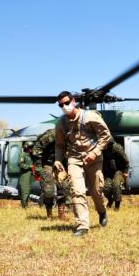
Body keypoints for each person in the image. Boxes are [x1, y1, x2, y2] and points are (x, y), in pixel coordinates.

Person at [54, 91, 112, 237]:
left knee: (96, 191)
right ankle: (82, 226)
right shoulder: (61, 123)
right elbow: (60, 145)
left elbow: (106, 136)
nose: (64, 106)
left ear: (73, 101)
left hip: (93, 157)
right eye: (61, 105)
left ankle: (102, 211)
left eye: (67, 103)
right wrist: (57, 160)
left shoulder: (90, 116)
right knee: (77, 190)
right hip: (74, 158)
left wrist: (95, 152)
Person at [31, 128, 71, 219]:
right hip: (47, 164)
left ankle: (61, 214)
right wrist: (38, 166)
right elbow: (37, 148)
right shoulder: (52, 135)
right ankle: (49, 214)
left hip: (61, 164)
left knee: (64, 188)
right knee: (49, 191)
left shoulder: (73, 134)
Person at [102, 140, 129, 211]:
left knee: (116, 186)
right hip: (109, 172)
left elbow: (126, 160)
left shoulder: (117, 148)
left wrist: (126, 171)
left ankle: (117, 206)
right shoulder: (103, 148)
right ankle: (110, 200)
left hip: (119, 171)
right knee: (105, 187)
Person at [18, 141, 34, 208]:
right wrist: (30, 166)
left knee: (28, 191)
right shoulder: (23, 155)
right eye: (31, 147)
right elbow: (20, 164)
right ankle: (24, 206)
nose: (32, 149)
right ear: (27, 148)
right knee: (25, 191)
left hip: (29, 175)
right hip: (24, 176)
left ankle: (26, 205)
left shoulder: (29, 155)